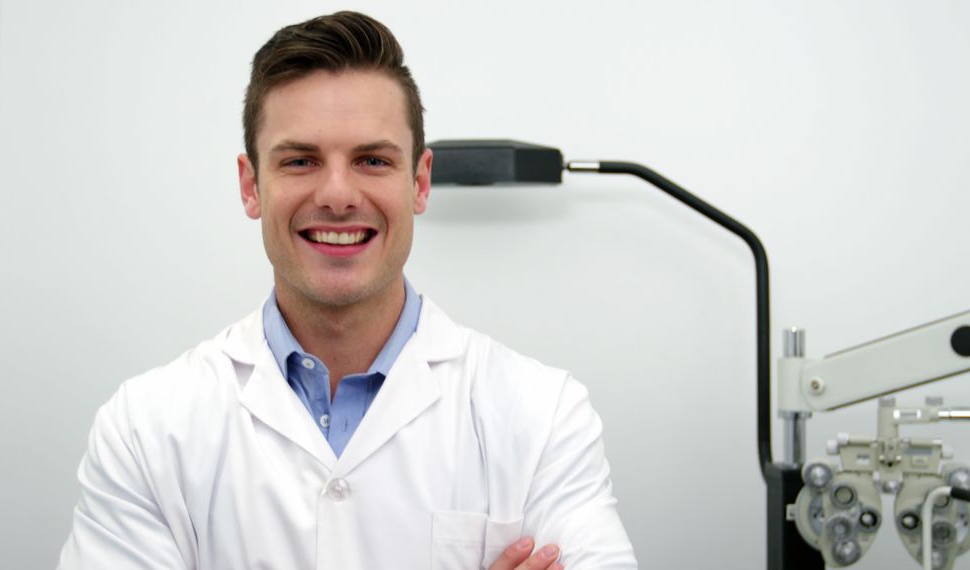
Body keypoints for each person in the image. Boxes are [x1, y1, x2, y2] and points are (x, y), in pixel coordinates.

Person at [58, 11, 636, 570]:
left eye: (372, 160)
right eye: (302, 160)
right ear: (250, 185)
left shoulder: (543, 414)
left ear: (420, 181)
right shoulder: (146, 428)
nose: (338, 194)